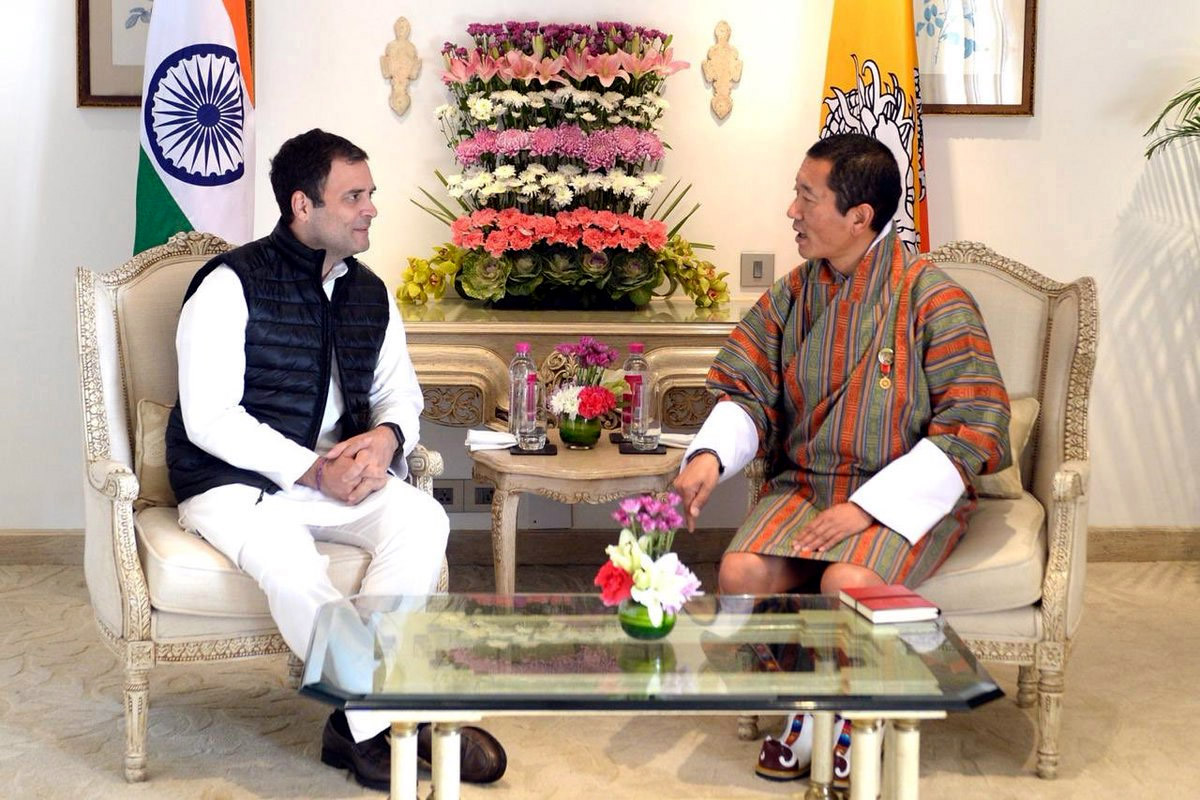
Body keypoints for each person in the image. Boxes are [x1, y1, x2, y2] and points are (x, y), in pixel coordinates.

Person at [164, 129, 506, 791]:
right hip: (233, 483)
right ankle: (393, 720)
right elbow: (209, 417)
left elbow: (399, 392)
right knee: (294, 568)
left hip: (336, 475)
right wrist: (314, 469)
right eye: (353, 196)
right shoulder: (230, 284)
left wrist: (386, 440)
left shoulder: (369, 292)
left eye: (370, 193)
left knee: (423, 520)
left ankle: (358, 722)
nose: (370, 208)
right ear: (303, 204)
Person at [672, 133, 1011, 782]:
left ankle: (854, 716)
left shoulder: (934, 299)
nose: (792, 211)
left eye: (808, 197)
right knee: (741, 573)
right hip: (807, 483)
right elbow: (747, 387)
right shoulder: (793, 294)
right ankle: (804, 699)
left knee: (845, 583)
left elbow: (973, 426)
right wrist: (709, 457)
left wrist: (866, 509)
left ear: (860, 216)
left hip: (900, 494)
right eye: (796, 194)